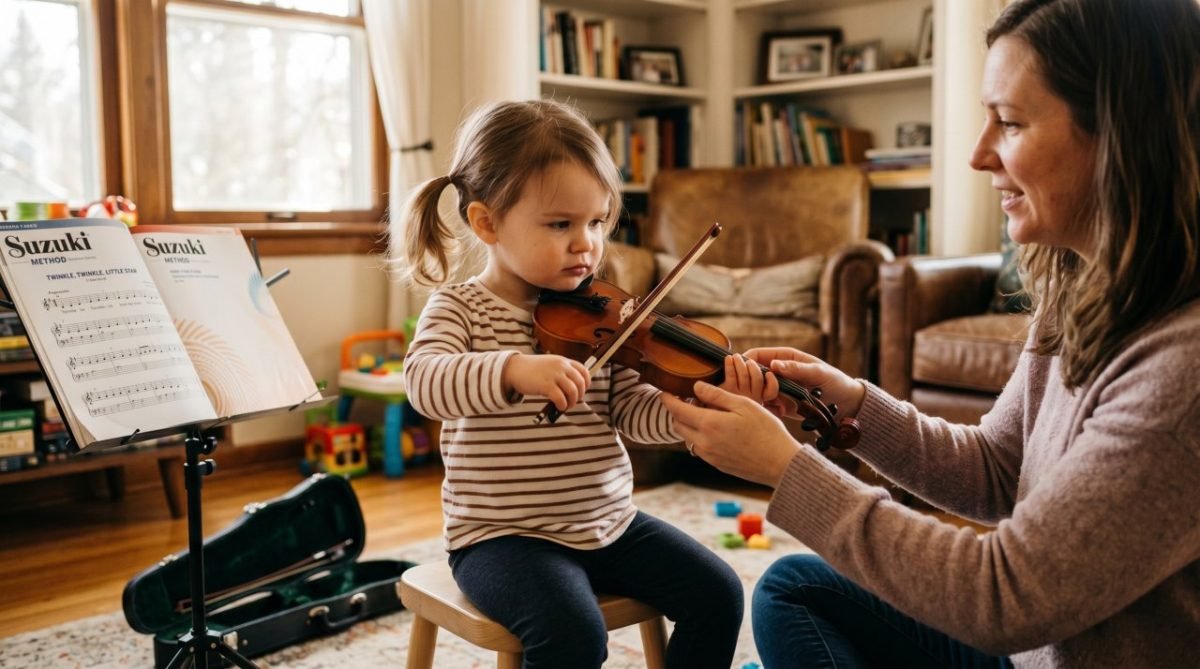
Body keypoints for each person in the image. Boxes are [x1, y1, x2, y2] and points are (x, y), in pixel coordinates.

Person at [661, 0, 1200, 667]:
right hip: (1031, 656)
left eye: (1008, 121)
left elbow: (1003, 595)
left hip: (1034, 641)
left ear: (1123, 134)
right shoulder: (1081, 289)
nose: (977, 154)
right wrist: (854, 401)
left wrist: (785, 467)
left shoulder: (1184, 369)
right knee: (794, 587)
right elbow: (998, 467)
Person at [394, 99, 752, 669]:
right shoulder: (460, 309)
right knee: (572, 635)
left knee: (719, 592)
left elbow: (629, 409)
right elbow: (424, 383)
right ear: (486, 222)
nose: (585, 243)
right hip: (501, 538)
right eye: (561, 224)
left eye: (597, 222)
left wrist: (686, 409)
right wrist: (512, 370)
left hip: (608, 523)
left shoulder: (600, 313)